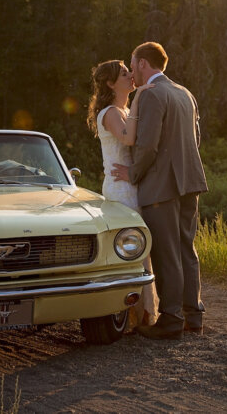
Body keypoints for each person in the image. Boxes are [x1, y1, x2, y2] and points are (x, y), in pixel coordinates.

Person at [112, 42, 208, 340]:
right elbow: (196, 138)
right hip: (189, 182)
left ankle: (170, 320)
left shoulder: (152, 94)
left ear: (143, 63)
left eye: (133, 64)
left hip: (162, 185)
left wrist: (134, 172)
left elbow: (148, 143)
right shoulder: (184, 93)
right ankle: (193, 316)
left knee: (167, 253)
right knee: (186, 250)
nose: (132, 72)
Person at [87, 59, 158, 328]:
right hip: (120, 188)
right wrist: (140, 98)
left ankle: (144, 313)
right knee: (131, 246)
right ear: (110, 83)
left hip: (130, 183)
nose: (131, 77)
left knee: (139, 246)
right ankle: (136, 314)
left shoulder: (123, 109)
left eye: (130, 72)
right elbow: (128, 139)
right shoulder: (111, 112)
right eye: (125, 74)